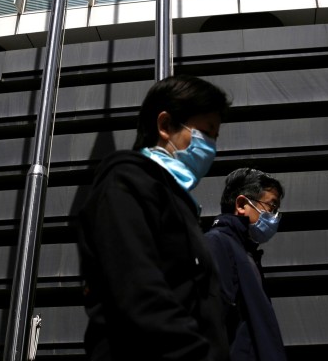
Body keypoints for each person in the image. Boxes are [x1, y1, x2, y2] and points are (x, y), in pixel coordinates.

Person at [77, 75, 232, 361]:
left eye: (215, 136)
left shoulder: (179, 203)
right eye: (206, 132)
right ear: (164, 126)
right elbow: (139, 292)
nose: (212, 146)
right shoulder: (124, 185)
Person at [204, 168, 288, 361]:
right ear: (242, 204)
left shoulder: (244, 252)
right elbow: (213, 320)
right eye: (271, 207)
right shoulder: (218, 244)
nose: (274, 217)